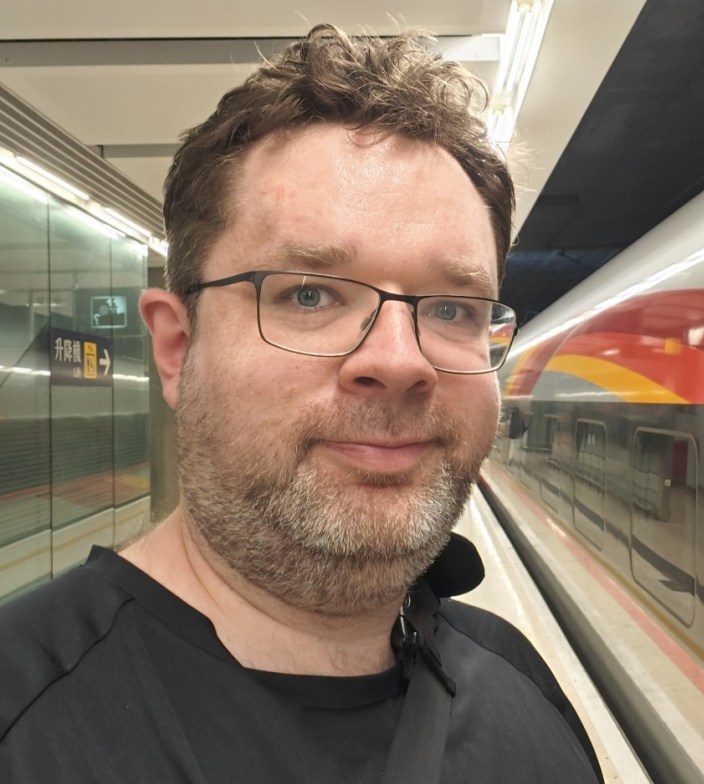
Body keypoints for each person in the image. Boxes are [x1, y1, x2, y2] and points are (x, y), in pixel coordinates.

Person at [0, 25, 603, 783]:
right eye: (309, 295)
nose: (400, 362)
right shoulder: (22, 717)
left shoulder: (523, 685)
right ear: (177, 349)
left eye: (453, 309)